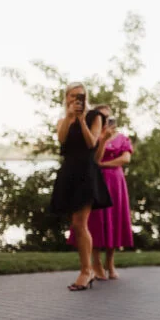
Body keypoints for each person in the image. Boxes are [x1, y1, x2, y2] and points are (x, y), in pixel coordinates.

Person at [50, 83, 112, 291]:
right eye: (73, 95)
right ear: (66, 97)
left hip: (86, 173)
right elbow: (62, 140)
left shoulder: (95, 116)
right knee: (77, 224)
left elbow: (91, 143)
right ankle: (88, 269)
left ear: (86, 98)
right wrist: (70, 118)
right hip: (69, 172)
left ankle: (86, 271)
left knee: (79, 222)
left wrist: (82, 120)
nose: (77, 99)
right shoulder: (62, 120)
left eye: (81, 96)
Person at [69, 105, 134, 280]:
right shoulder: (93, 137)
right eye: (102, 117)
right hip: (95, 180)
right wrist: (103, 141)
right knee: (95, 221)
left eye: (108, 117)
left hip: (115, 182)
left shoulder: (122, 138)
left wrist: (104, 165)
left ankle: (110, 263)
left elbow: (125, 158)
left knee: (114, 220)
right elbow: (93, 157)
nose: (106, 121)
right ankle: (96, 263)